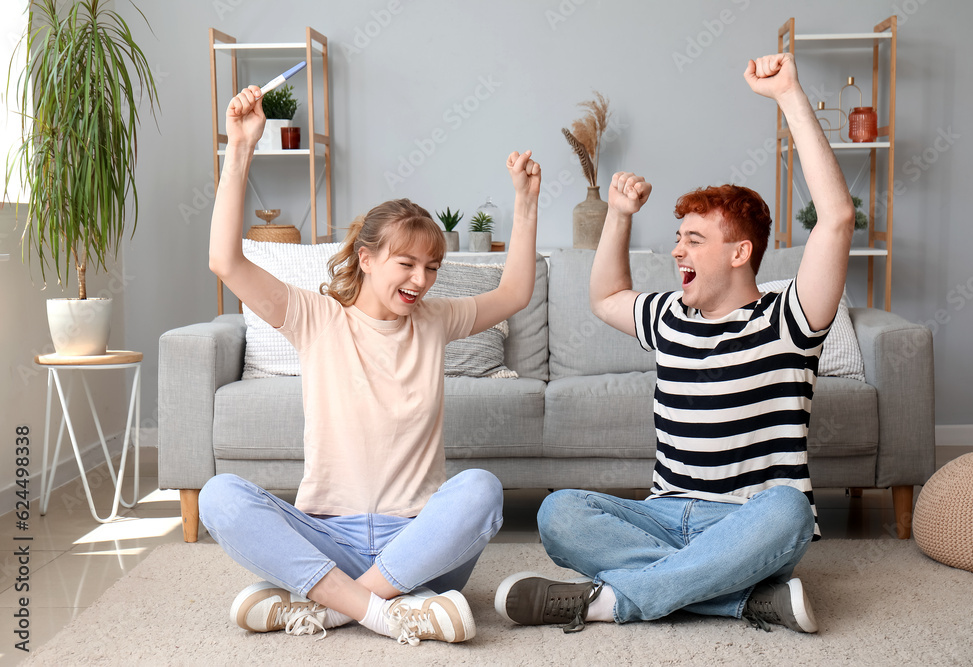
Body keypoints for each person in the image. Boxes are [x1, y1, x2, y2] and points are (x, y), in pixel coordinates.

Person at [495, 53, 856, 634]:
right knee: (559, 511)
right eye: (678, 238)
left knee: (790, 509)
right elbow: (606, 296)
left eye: (693, 239)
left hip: (749, 520)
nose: (678, 252)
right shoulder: (669, 316)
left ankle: (610, 601)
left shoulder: (788, 317)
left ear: (740, 254)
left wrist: (789, 95)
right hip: (662, 515)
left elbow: (836, 218)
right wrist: (618, 214)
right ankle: (736, 597)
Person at [200, 83, 541, 646]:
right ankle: (391, 609)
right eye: (406, 263)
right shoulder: (316, 318)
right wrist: (239, 150)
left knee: (481, 489)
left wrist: (525, 204)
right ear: (366, 257)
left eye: (431, 267)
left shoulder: (435, 320)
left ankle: (329, 605)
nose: (421, 280)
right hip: (327, 535)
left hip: (418, 542)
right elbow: (224, 260)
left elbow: (514, 293)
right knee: (220, 496)